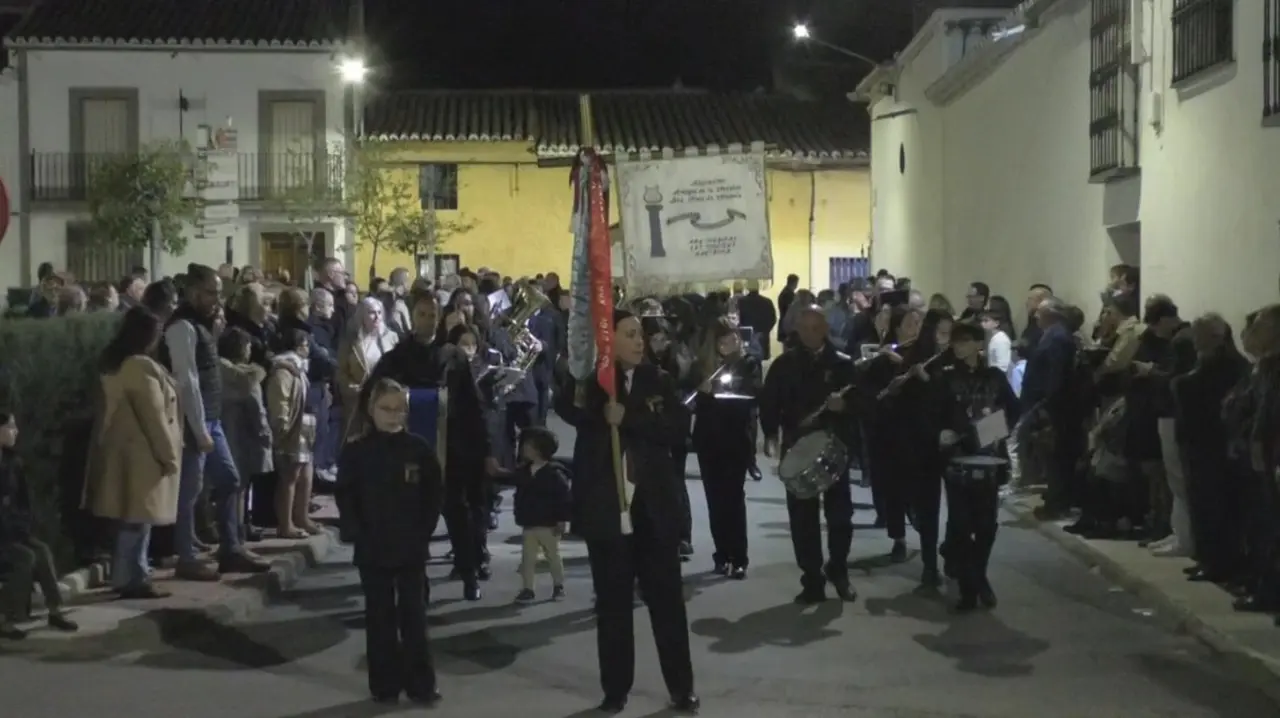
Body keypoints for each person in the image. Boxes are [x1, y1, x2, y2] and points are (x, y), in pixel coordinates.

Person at [554, 309, 698, 714]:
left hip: (653, 511)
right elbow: (567, 405)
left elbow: (676, 428)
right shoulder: (593, 384)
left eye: (641, 335)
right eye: (630, 334)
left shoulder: (659, 380)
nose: (639, 341)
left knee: (667, 603)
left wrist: (630, 417)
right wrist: (584, 367)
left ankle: (682, 688)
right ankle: (615, 689)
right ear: (609, 339)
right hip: (607, 510)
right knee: (613, 606)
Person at [364, 293, 499, 602]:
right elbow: (373, 396)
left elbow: (473, 404)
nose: (428, 320)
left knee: (458, 515)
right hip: (408, 451)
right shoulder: (397, 357)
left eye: (433, 315)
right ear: (412, 317)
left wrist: (486, 448)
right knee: (413, 520)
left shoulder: (454, 356)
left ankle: (469, 574)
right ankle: (417, 581)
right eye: (422, 314)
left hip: (452, 450)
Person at [336, 378, 443, 707]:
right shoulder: (356, 451)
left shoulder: (419, 449)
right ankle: (384, 685)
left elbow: (432, 495)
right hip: (373, 547)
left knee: (413, 616)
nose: (394, 416)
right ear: (371, 409)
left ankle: (421, 685)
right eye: (386, 409)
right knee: (379, 617)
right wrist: (357, 532)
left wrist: (423, 532)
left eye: (400, 410)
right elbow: (346, 495)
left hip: (410, 547)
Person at [159, 264, 269, 580]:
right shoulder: (182, 327)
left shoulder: (203, 325)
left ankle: (230, 549)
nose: (217, 300)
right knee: (190, 491)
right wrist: (199, 428)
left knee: (229, 480)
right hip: (196, 421)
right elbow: (187, 379)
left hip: (210, 418)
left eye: (219, 293)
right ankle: (187, 556)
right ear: (193, 292)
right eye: (211, 292)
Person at [760, 305, 858, 603]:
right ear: (797, 331)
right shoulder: (784, 365)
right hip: (797, 447)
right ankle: (812, 578)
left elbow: (864, 403)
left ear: (826, 329)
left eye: (817, 329)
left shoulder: (843, 364)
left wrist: (846, 407)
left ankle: (838, 569)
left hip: (834, 448)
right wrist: (769, 433)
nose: (811, 335)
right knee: (803, 520)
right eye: (805, 329)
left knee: (840, 516)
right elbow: (769, 402)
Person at [84, 307, 183, 600]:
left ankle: (130, 575)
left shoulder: (117, 362)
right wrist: (169, 456)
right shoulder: (139, 367)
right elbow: (152, 414)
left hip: (127, 449)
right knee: (138, 520)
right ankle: (132, 578)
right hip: (142, 453)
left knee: (134, 519)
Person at [934, 321, 1019, 611]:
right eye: (956, 341)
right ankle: (970, 586)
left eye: (966, 341)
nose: (959, 346)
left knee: (986, 524)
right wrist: (943, 433)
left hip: (989, 457)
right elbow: (934, 415)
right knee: (960, 523)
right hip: (956, 460)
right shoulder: (945, 379)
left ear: (978, 345)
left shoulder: (993, 377)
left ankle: (978, 575)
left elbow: (1013, 410)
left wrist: (988, 432)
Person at [691, 318, 761, 578]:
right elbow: (690, 397)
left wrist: (725, 389)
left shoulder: (749, 363)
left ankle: (739, 556)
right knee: (715, 500)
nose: (729, 345)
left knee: (733, 498)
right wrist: (703, 391)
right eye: (722, 341)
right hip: (709, 440)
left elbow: (754, 394)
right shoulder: (703, 367)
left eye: (733, 339)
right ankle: (721, 554)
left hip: (735, 439)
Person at [0, 411, 80, 638]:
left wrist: (20, 526)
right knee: (25, 558)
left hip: (13, 532)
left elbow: (23, 503)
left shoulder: (12, 462)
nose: (15, 431)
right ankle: (6, 618)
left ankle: (56, 610)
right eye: (10, 426)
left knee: (42, 551)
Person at [267, 328, 320, 538]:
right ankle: (285, 523)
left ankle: (302, 516)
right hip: (292, 429)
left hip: (305, 427)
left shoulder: (299, 368)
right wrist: (282, 424)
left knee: (306, 474)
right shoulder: (284, 370)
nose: (308, 348)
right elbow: (280, 398)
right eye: (305, 344)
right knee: (290, 475)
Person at [512, 425, 571, 603]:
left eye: (528, 445)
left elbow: (563, 498)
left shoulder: (554, 474)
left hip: (548, 523)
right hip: (529, 522)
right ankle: (528, 588)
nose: (524, 448)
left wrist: (562, 519)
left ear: (539, 449)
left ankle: (558, 585)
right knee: (527, 559)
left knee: (553, 556)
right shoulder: (524, 471)